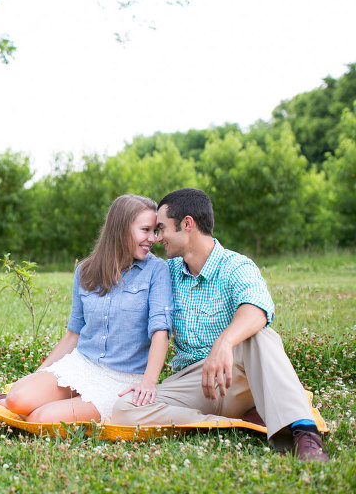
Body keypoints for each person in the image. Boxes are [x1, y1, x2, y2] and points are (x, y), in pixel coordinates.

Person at [111, 188, 330, 462]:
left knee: (261, 336)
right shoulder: (166, 272)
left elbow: (257, 308)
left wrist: (224, 343)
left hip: (238, 376)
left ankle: (305, 433)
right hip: (193, 381)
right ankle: (229, 423)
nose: (157, 238)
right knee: (124, 409)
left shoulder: (236, 266)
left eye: (162, 228)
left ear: (187, 224)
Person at [0, 194, 173, 424]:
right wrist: (38, 376)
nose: (153, 238)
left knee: (42, 418)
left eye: (155, 231)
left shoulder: (157, 270)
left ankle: (22, 407)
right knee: (18, 398)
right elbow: (74, 333)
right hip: (82, 365)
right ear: (121, 229)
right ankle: (8, 402)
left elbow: (161, 330)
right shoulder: (85, 271)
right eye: (145, 230)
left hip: (121, 378)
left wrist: (149, 382)